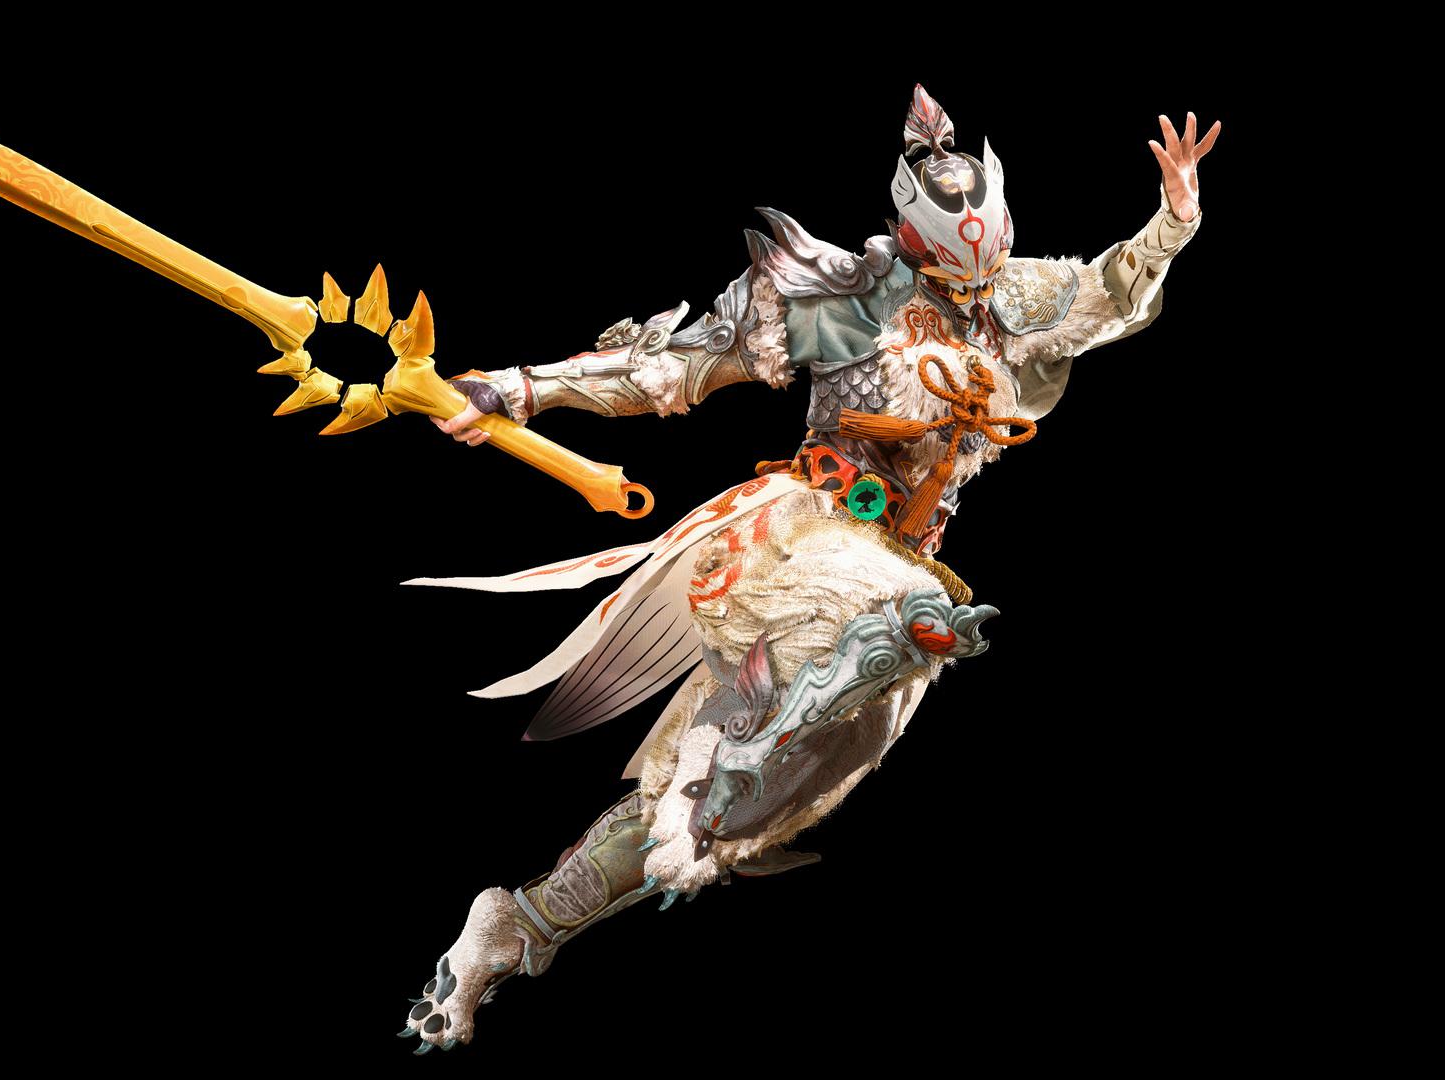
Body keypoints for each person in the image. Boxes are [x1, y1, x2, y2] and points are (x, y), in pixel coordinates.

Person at [398, 83, 1220, 1052]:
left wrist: (1173, 217)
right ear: (912, 233)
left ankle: (516, 928)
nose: (975, 271)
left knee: (753, 804)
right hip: (807, 529)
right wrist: (517, 389)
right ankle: (724, 756)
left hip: (899, 554)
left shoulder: (1014, 299)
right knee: (912, 618)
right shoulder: (841, 294)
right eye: (953, 248)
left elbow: (1109, 293)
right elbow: (676, 366)